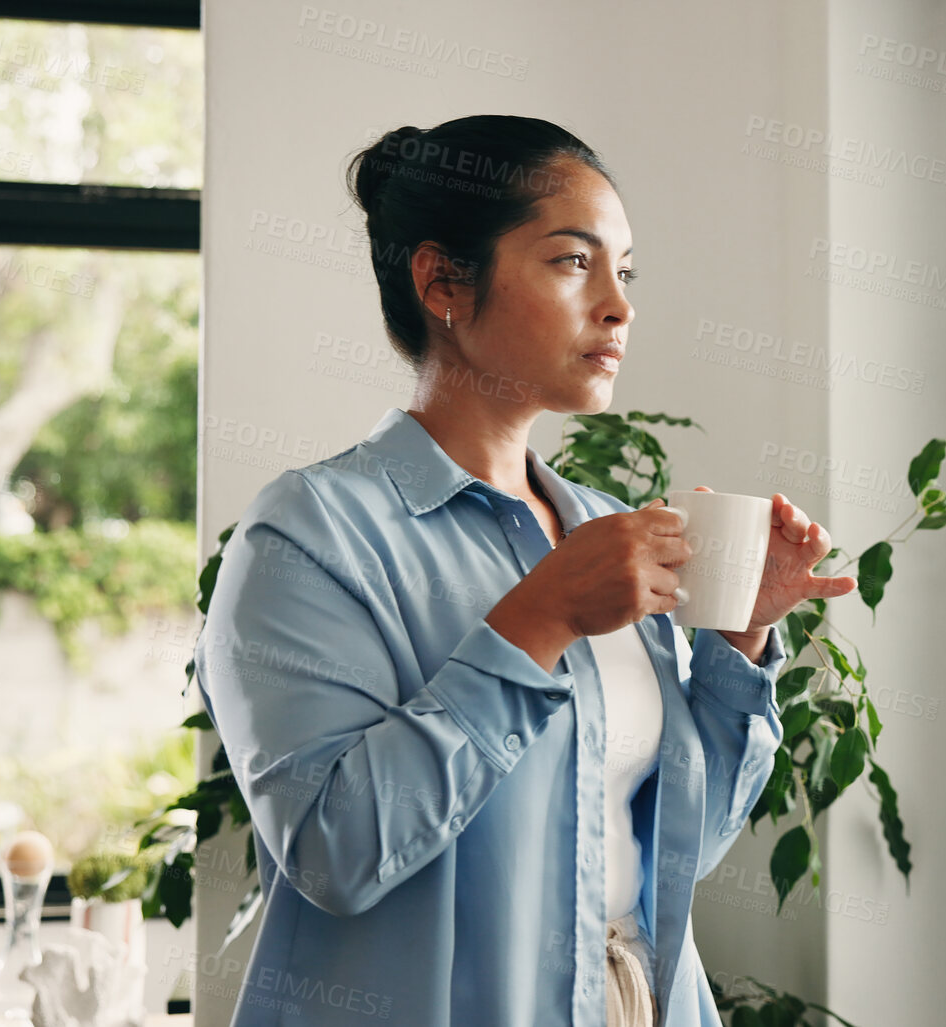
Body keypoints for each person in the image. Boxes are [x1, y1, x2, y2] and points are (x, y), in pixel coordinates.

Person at [194, 114, 856, 1027]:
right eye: (572, 262)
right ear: (443, 281)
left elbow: (679, 847)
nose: (618, 306)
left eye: (624, 271)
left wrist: (741, 635)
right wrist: (532, 623)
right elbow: (332, 854)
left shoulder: (598, 528)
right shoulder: (310, 533)